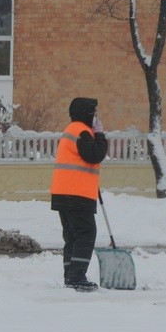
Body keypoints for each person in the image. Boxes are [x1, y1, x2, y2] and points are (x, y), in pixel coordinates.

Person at [50, 97, 108, 292]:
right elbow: (95, 154)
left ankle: (70, 275)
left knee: (72, 236)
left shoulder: (71, 130)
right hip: (76, 195)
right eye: (94, 113)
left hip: (63, 193)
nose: (96, 117)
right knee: (86, 233)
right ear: (86, 114)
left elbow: (82, 160)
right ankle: (77, 276)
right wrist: (100, 134)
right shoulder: (82, 132)